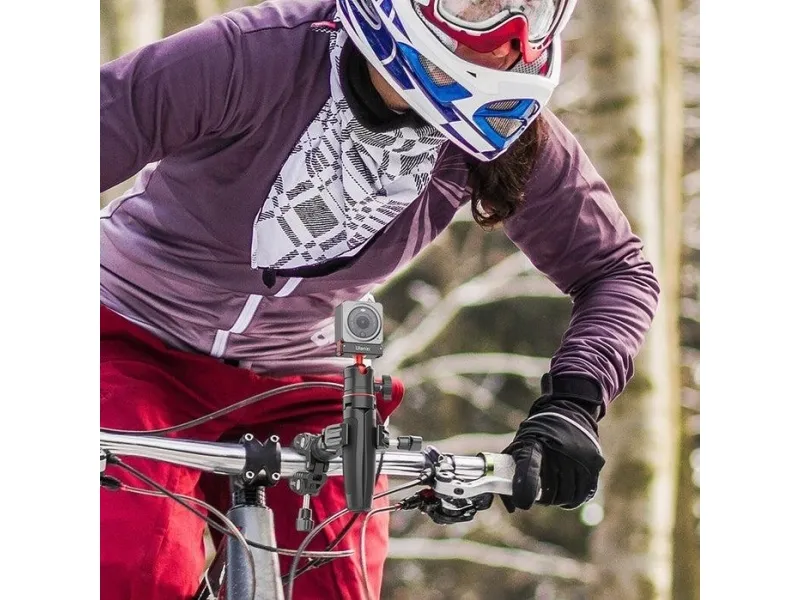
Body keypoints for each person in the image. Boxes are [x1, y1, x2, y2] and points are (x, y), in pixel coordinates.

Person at [100, 0, 660, 598]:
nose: (509, 36)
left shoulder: (504, 134)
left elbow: (616, 269)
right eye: (478, 5)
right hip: (130, 340)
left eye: (533, 10)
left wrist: (573, 403)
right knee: (135, 564)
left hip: (297, 383)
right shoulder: (253, 55)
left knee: (335, 582)